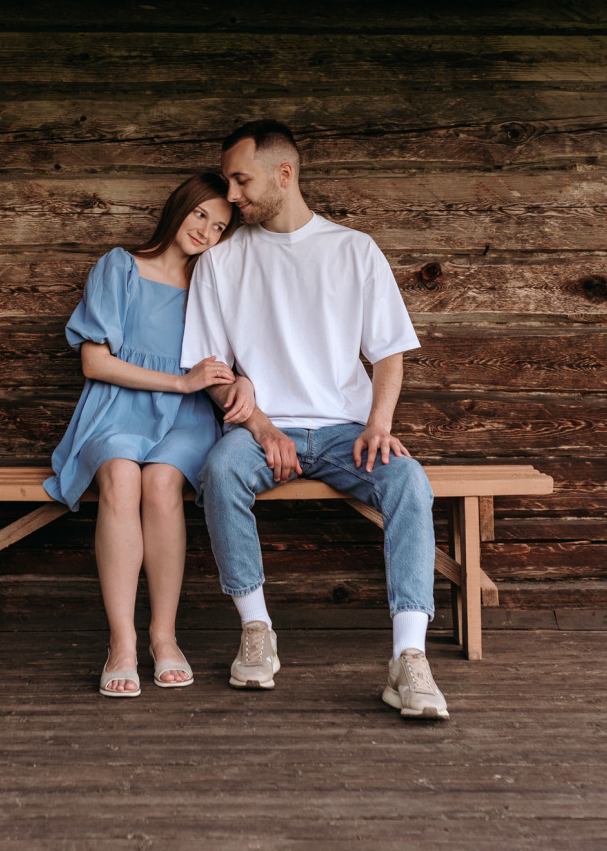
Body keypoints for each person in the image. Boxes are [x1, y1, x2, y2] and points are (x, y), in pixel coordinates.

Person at [181, 121, 450, 719]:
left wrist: (379, 424)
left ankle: (409, 660)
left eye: (241, 179)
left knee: (409, 481)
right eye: (227, 181)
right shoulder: (221, 263)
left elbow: (388, 354)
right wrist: (262, 429)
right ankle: (257, 631)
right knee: (220, 470)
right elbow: (213, 371)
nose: (230, 195)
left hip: (344, 432)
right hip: (259, 431)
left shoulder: (354, 250)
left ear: (285, 174)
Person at [44, 174, 246, 698]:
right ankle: (122, 643)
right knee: (120, 475)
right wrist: (178, 380)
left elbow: (235, 355)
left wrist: (240, 377)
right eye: (201, 214)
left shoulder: (211, 286)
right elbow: (93, 360)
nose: (206, 231)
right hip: (117, 407)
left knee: (161, 485)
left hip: (186, 417)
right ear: (180, 208)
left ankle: (163, 636)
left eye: (220, 226)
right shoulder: (121, 267)